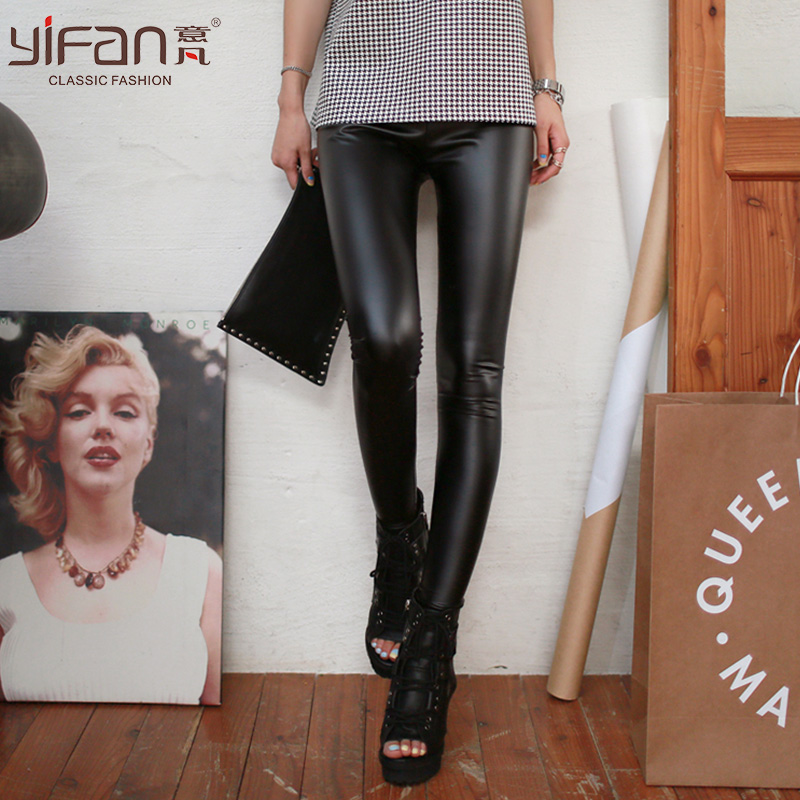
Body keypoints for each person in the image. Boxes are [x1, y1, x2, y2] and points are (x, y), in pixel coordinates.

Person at [272, 0, 568, 784]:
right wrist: (291, 99)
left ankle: (432, 645)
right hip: (359, 99)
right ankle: (401, 532)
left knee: (473, 372)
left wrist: (546, 87)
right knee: (384, 340)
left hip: (491, 92)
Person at [0, 325, 222, 705]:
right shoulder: (6, 583)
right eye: (79, 411)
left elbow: (219, 727)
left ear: (148, 444)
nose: (103, 426)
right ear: (52, 443)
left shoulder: (200, 572)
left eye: (124, 412)